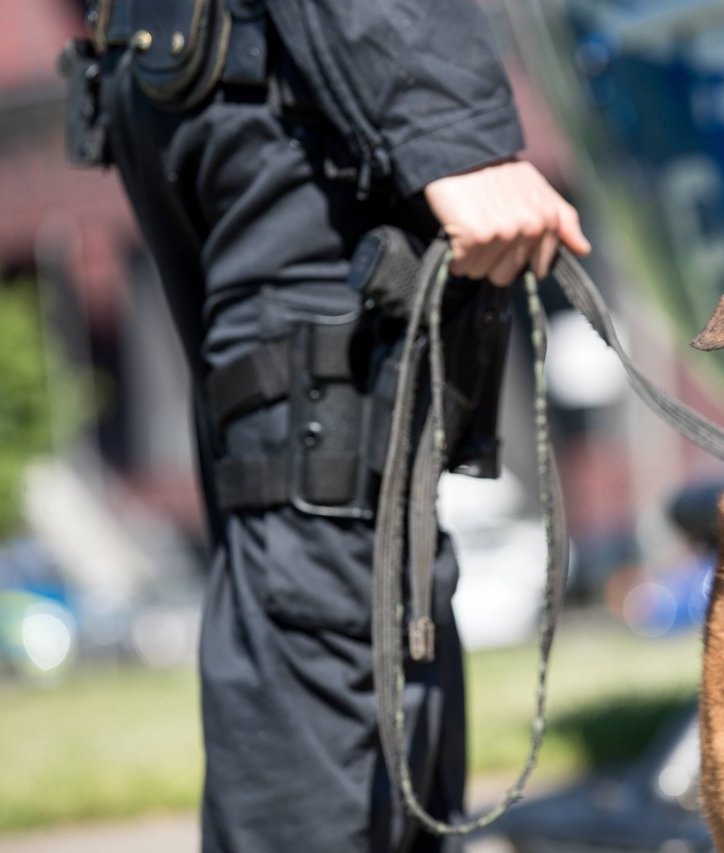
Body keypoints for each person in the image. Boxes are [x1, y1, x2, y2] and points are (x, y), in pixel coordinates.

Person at [70, 1, 588, 849]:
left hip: (228, 74)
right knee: (330, 584)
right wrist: (446, 123)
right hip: (300, 110)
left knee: (354, 576)